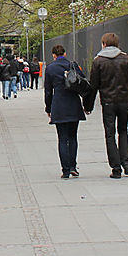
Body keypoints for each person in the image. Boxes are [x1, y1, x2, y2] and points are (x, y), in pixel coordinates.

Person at [83, 32, 128, 178]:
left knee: (110, 134)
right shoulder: (126, 59)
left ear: (104, 44)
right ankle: (126, 163)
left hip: (108, 102)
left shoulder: (98, 61)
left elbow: (94, 85)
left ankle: (116, 168)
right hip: (124, 101)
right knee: (123, 131)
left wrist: (88, 106)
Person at [43, 44, 86, 179]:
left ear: (54, 55)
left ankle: (65, 170)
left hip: (59, 104)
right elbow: (83, 82)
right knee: (73, 137)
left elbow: (48, 91)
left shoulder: (50, 68)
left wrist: (48, 108)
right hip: (73, 103)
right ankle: (73, 166)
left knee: (62, 138)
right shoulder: (73, 65)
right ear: (65, 54)